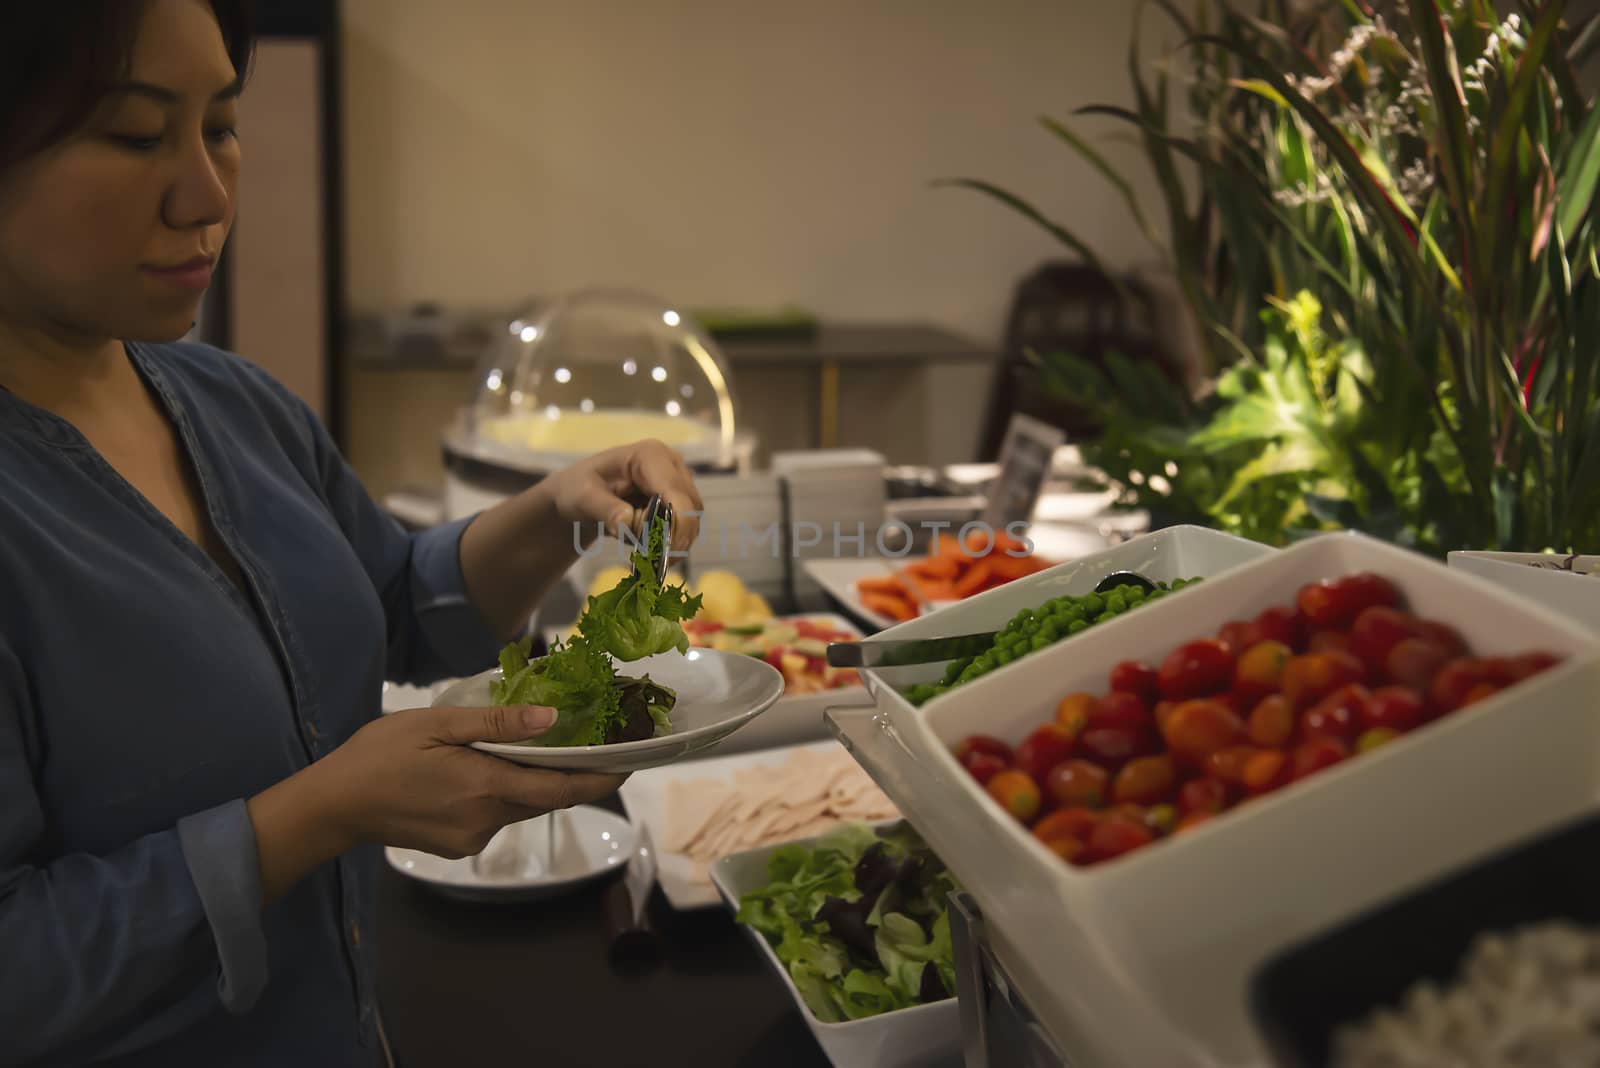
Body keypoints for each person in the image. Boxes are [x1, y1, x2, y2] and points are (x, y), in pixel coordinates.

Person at [0, 2, 704, 1065]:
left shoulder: (226, 398)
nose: (207, 192)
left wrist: (554, 512)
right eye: (138, 136)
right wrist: (313, 817)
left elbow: (381, 603)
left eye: (221, 125)